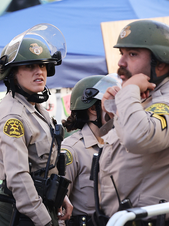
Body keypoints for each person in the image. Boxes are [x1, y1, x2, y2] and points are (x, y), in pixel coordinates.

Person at [96, 20, 169, 225]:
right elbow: (118, 145)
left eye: (132, 54)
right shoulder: (150, 94)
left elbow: (138, 138)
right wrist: (115, 110)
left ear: (160, 63)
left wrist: (128, 92)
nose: (121, 63)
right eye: (122, 54)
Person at [0, 24, 73, 226]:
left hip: (37, 207)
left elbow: (45, 166)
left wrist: (61, 196)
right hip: (18, 215)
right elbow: (18, 178)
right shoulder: (12, 116)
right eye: (30, 66)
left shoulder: (36, 109)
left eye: (43, 66)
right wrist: (44, 220)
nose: (39, 72)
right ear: (12, 73)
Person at [60, 75, 111, 226]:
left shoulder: (116, 144)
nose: (117, 110)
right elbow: (58, 210)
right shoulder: (72, 149)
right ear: (93, 109)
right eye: (111, 104)